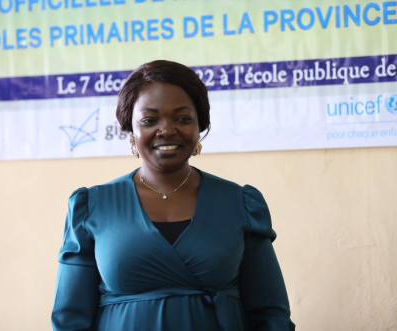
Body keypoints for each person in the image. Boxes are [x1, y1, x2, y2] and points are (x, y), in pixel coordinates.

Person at [51, 60, 295, 331]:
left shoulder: (241, 204)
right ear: (131, 130)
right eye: (149, 120)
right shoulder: (92, 207)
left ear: (199, 126)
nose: (166, 129)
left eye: (182, 118)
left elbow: (270, 312)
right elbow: (70, 318)